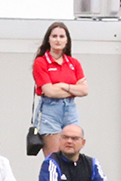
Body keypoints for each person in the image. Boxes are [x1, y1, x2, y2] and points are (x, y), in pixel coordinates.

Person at [33, 23, 88, 157]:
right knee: (55, 156)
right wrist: (73, 89)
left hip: (70, 109)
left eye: (62, 36)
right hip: (50, 110)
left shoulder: (73, 63)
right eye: (54, 36)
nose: (58, 40)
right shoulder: (41, 62)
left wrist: (63, 85)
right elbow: (49, 91)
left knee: (72, 153)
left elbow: (84, 90)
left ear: (67, 40)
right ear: (49, 40)